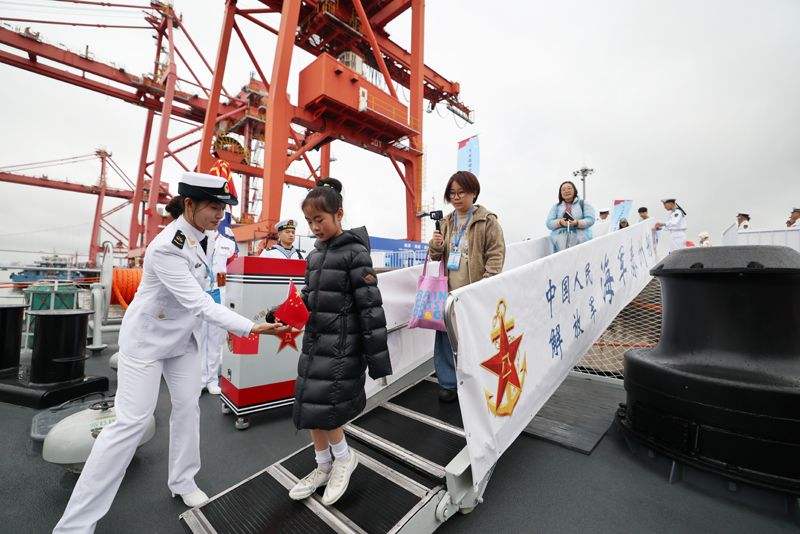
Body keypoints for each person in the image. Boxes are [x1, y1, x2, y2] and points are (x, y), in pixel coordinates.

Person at [54, 172, 292, 534]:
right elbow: (199, 303)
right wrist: (251, 327)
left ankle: (183, 481)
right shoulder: (167, 246)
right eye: (213, 206)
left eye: (223, 208)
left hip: (182, 341)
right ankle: (75, 525)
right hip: (147, 342)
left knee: (187, 408)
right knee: (130, 423)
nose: (220, 214)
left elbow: (207, 291)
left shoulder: (207, 237)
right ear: (190, 204)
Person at [288, 178, 391, 506]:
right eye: (309, 222)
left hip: (342, 348)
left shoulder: (356, 253)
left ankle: (344, 459)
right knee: (309, 406)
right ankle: (323, 466)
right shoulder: (314, 256)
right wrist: (284, 314)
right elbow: (309, 296)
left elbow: (371, 309)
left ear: (339, 214)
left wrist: (377, 362)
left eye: (319, 219)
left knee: (327, 410)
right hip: (315, 343)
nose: (315, 227)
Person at [429, 171, 505, 403]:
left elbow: (496, 254)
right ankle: (448, 383)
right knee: (445, 337)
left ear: (474, 192)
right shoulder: (445, 222)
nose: (456, 197)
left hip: (474, 291)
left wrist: (485, 283)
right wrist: (435, 245)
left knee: (475, 337)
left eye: (461, 192)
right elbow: (435, 256)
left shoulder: (487, 220)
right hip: (448, 291)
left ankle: (477, 381)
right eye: (452, 193)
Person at [200, 211, 238, 395]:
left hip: (219, 293)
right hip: (199, 291)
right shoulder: (197, 240)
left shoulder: (228, 244)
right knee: (199, 338)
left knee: (216, 339)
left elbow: (234, 270)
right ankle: (199, 380)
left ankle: (212, 379)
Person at [545, 180, 597, 252]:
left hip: (581, 243)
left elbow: (591, 219)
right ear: (560, 193)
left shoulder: (583, 203)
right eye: (563, 190)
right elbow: (549, 223)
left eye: (569, 188)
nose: (566, 191)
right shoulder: (556, 207)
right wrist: (560, 222)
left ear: (574, 190)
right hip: (560, 246)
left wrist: (577, 223)